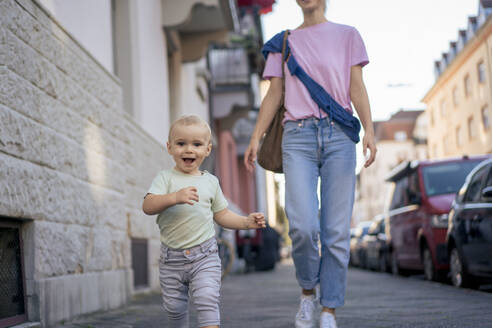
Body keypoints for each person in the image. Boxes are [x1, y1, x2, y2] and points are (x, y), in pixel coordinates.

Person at [244, 0, 377, 327]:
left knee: (334, 232)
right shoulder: (283, 42)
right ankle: (307, 292)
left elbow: (356, 87)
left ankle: (329, 310)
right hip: (297, 136)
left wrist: (370, 131)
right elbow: (274, 93)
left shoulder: (348, 35)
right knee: (302, 226)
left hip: (338, 137)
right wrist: (255, 137)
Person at [143, 115, 266, 328]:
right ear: (169, 147)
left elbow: (222, 214)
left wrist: (246, 222)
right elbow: (148, 205)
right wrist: (174, 197)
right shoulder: (165, 178)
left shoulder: (210, 182)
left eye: (196, 144)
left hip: (205, 256)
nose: (189, 149)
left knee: (207, 298)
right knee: (174, 308)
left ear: (207, 149)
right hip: (171, 259)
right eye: (181, 144)